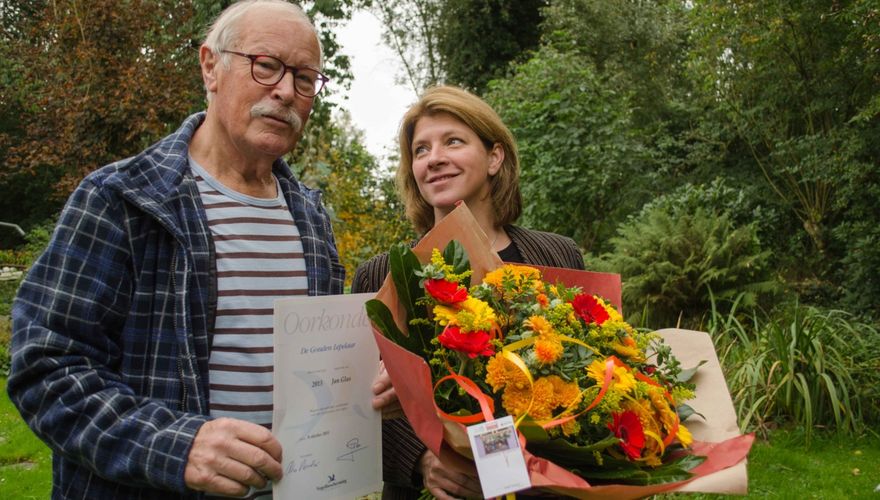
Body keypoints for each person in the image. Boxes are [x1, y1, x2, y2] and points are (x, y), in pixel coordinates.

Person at [7, 1, 344, 498]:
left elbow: (318, 370)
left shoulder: (312, 219)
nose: (286, 91)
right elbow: (45, 368)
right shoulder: (122, 199)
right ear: (210, 65)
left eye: (305, 78)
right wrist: (177, 446)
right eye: (267, 66)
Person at [352, 85, 585, 499]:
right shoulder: (380, 276)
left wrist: (510, 468)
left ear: (495, 157)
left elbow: (590, 379)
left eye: (452, 142)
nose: (434, 158)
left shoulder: (558, 257)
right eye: (420, 150)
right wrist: (423, 460)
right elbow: (356, 405)